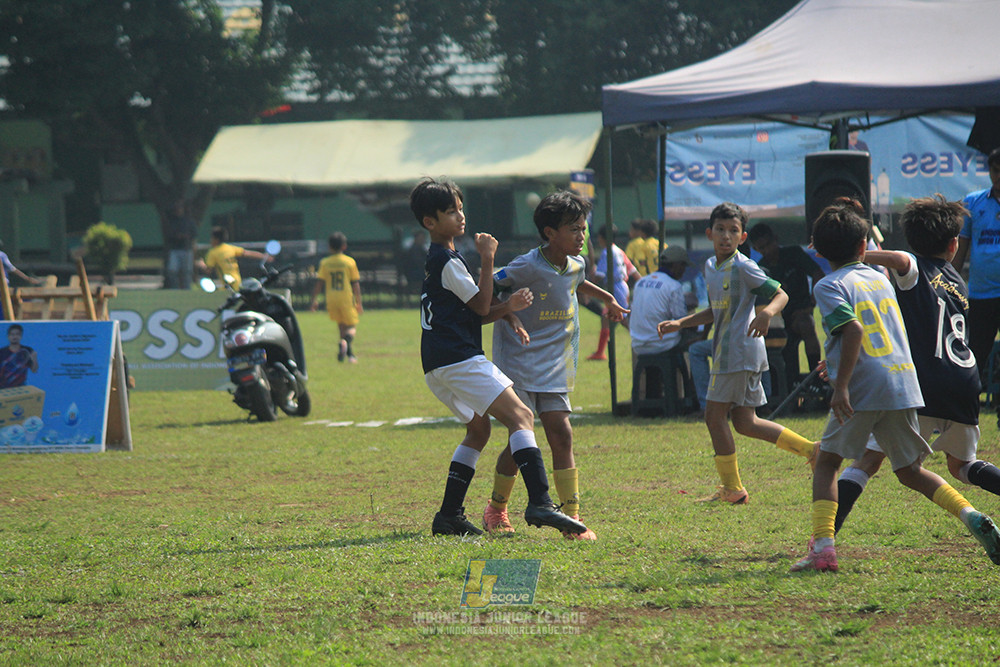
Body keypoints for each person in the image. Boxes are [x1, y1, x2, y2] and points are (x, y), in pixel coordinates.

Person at [790, 198, 1000, 573]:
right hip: (908, 383)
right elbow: (892, 329)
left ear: (818, 251)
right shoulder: (884, 280)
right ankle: (971, 516)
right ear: (863, 247)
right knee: (914, 470)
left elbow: (854, 329)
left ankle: (823, 547)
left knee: (828, 461)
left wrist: (840, 383)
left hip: (869, 386)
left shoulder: (832, 283)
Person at [409, 177, 588, 538]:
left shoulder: (442, 258)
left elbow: (478, 311)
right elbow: (479, 307)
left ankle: (449, 515)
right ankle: (539, 502)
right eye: (450, 212)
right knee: (522, 416)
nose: (460, 216)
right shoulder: (447, 260)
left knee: (479, 430)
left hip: (437, 361)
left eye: (460, 208)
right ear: (430, 222)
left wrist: (507, 308)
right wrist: (490, 261)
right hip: (458, 358)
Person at [482, 191, 627, 539]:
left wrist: (608, 298)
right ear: (550, 233)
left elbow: (576, 282)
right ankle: (497, 508)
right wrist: (510, 315)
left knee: (562, 434)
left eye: (584, 229)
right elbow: (488, 290)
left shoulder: (575, 264)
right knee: (522, 440)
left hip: (556, 363)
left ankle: (571, 518)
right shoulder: (526, 265)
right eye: (574, 230)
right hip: (518, 359)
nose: (582, 236)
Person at [657, 202, 818, 504]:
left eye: (733, 231)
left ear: (743, 238)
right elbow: (716, 312)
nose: (726, 236)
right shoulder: (710, 267)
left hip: (739, 352)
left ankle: (732, 489)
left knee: (713, 416)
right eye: (720, 230)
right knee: (745, 423)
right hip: (729, 352)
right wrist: (681, 322)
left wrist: (767, 313)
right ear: (709, 233)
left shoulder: (744, 266)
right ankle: (811, 450)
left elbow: (781, 294)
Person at [748, 223, 825, 393]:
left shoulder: (794, 254)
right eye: (761, 248)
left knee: (806, 324)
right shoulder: (761, 269)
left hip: (801, 314)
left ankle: (815, 377)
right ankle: (787, 388)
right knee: (785, 350)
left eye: (768, 245)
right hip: (779, 320)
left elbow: (818, 274)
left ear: (775, 239)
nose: (767, 251)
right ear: (755, 248)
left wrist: (812, 303)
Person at [951, 147, 1000, 377]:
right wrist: (949, 282)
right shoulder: (973, 202)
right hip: (981, 294)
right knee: (976, 355)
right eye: (995, 171)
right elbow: (960, 248)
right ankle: (970, 407)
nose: (999, 176)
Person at [588, 225, 639, 361]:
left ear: (601, 238)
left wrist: (591, 277)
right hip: (622, 286)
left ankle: (641, 341)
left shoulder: (606, 252)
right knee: (607, 318)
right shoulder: (619, 250)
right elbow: (632, 270)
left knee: (621, 318)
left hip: (616, 288)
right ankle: (600, 352)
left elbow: (599, 276)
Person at [310, 232, 363, 363]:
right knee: (351, 326)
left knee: (341, 325)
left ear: (329, 247)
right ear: (344, 246)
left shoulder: (325, 262)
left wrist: (314, 300)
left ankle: (348, 354)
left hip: (331, 297)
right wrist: (359, 301)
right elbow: (355, 283)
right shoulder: (349, 262)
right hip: (345, 297)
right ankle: (345, 343)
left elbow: (319, 283)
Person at [196, 226, 270, 290]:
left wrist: (201, 264)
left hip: (227, 285)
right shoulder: (230, 248)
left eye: (212, 238)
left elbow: (208, 271)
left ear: (216, 239)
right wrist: (265, 256)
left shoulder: (213, 252)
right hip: (238, 282)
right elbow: (248, 253)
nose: (210, 240)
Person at [163, 199, 199, 290]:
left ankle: (187, 289)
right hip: (174, 249)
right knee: (172, 270)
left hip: (186, 249)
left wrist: (186, 237)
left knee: (186, 272)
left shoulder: (189, 221)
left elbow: (194, 234)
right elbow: (168, 234)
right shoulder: (171, 222)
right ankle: (174, 289)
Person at [0, 324, 38, 388]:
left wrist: (34, 359)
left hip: (20, 387)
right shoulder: (2, 352)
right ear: (8, 336)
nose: (15, 337)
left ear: (21, 336)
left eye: (17, 334)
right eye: (12, 334)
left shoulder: (27, 351)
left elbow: (34, 370)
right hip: (3, 387)